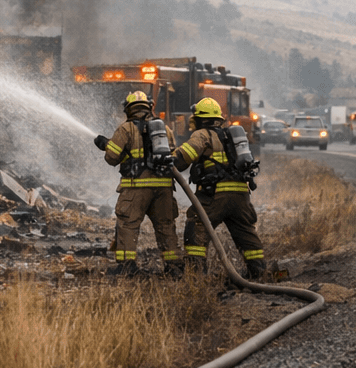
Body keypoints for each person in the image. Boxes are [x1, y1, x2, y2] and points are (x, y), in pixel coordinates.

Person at [174, 97, 266, 282]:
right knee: (245, 233)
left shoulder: (203, 135)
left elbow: (183, 158)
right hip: (241, 197)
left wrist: (167, 158)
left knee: (197, 228)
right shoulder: (232, 137)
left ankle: (196, 277)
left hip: (214, 196)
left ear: (200, 118)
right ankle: (260, 273)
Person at [93, 90, 182, 276]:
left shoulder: (125, 129)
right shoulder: (165, 130)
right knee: (166, 226)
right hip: (163, 188)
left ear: (128, 109)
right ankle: (173, 266)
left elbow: (111, 158)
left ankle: (127, 266)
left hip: (136, 188)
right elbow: (174, 159)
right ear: (150, 107)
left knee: (128, 225)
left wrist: (105, 145)